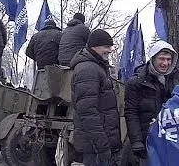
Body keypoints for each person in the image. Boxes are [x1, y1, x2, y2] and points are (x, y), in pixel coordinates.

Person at [70, 29, 121, 166]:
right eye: (106, 46)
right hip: (95, 146)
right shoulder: (88, 70)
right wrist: (102, 146)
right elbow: (88, 112)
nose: (109, 50)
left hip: (98, 144)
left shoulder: (96, 66)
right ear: (94, 46)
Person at [124, 40, 178, 165]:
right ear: (153, 59)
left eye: (169, 59)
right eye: (162, 59)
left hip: (172, 140)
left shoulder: (176, 79)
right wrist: (136, 141)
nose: (165, 63)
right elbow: (131, 113)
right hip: (148, 140)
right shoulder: (136, 83)